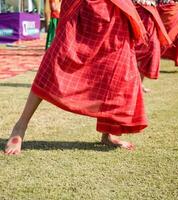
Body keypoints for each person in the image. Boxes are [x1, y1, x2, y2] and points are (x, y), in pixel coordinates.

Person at [5, 0, 148, 155]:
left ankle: (108, 133)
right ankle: (21, 126)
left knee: (116, 68)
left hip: (117, 8)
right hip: (83, 5)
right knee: (56, 60)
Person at [132, 0, 171, 92]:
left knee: (153, 49)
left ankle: (140, 84)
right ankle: (134, 84)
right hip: (136, 13)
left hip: (150, 14)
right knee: (134, 53)